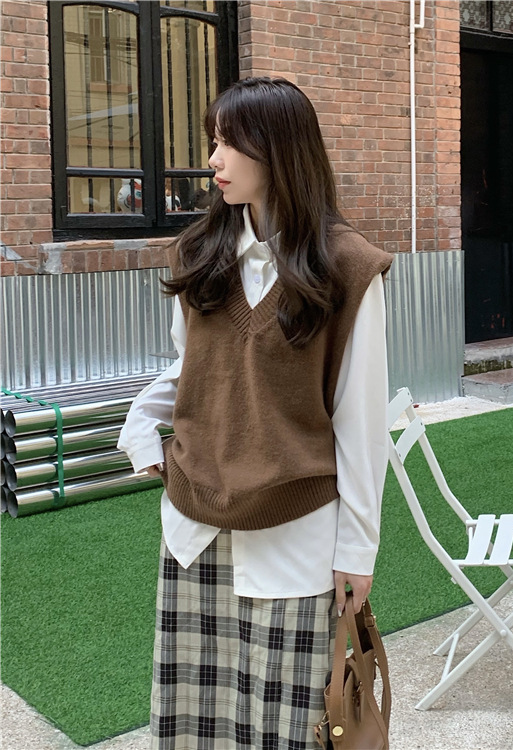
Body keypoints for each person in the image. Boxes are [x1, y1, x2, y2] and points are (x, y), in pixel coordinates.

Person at [118, 76, 392, 750]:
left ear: (279, 151)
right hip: (194, 531)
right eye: (213, 141)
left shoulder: (348, 267)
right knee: (196, 728)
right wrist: (138, 428)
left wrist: (358, 551)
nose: (213, 159)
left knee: (286, 730)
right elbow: (192, 367)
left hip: (293, 534)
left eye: (229, 143)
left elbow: (360, 420)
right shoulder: (198, 254)